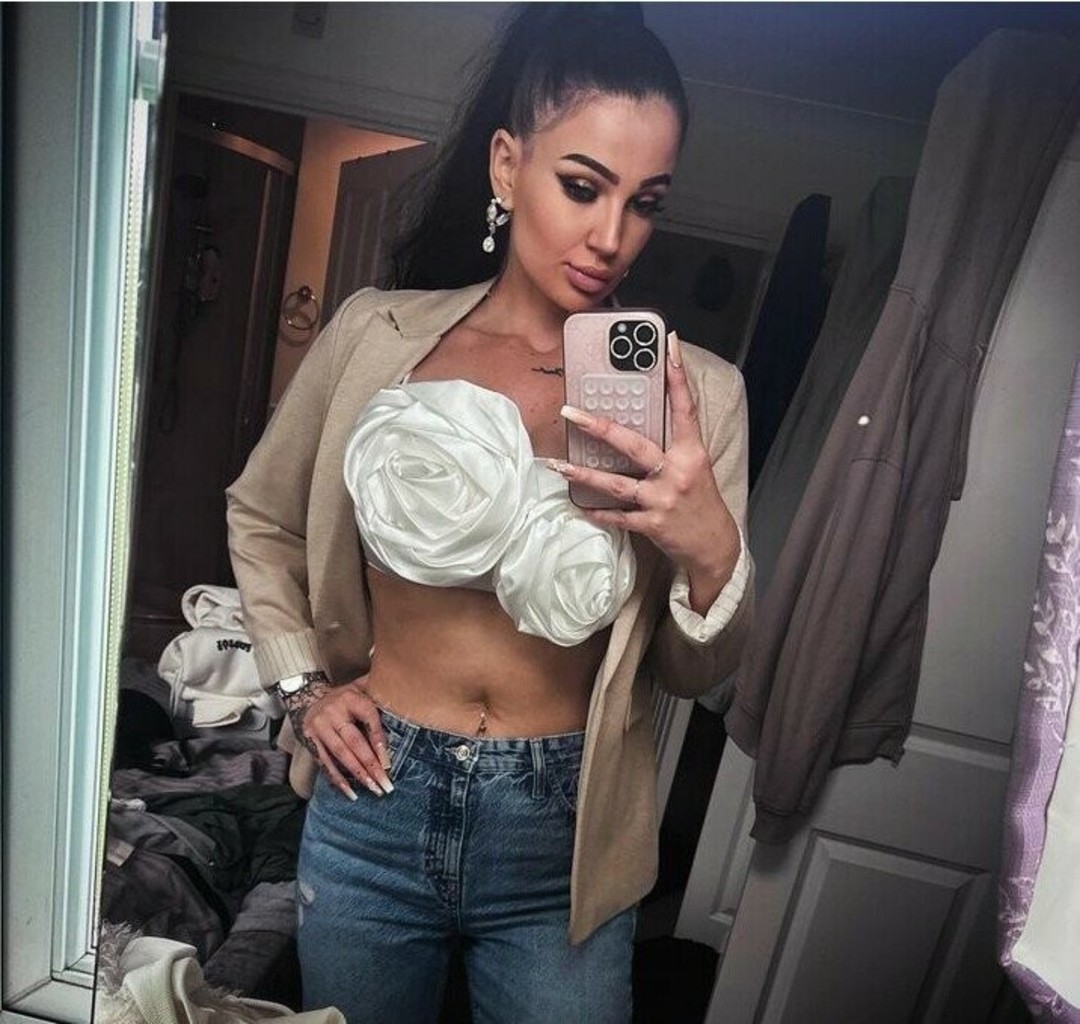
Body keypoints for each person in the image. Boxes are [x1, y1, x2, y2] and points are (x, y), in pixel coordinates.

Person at [226, 5, 753, 1022]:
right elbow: (263, 517)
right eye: (583, 186)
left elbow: (695, 673)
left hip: (566, 833)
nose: (612, 238)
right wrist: (301, 688)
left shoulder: (700, 397)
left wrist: (710, 548)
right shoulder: (376, 336)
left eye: (644, 202)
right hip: (374, 798)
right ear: (508, 166)